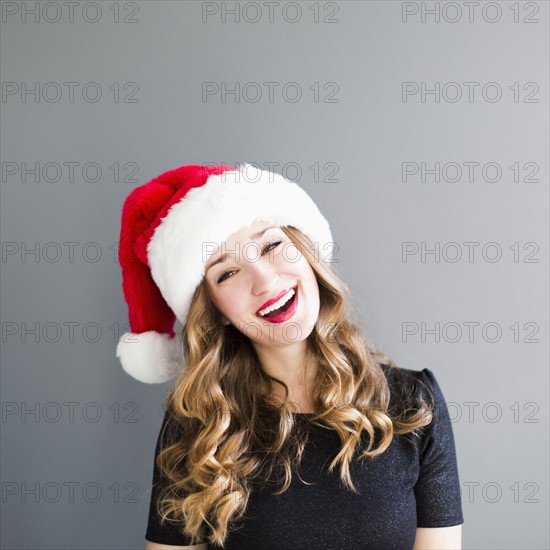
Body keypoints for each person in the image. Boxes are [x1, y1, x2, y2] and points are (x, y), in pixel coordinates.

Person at [115, 163, 464, 550]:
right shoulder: (198, 425)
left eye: (271, 246)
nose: (264, 280)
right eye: (227, 273)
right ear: (215, 312)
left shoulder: (414, 402)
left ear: (306, 251)